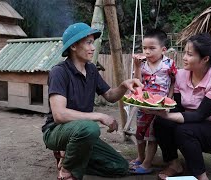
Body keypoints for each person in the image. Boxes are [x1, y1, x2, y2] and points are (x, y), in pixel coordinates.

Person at [41, 22, 143, 180]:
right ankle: (67, 170)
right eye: (88, 42)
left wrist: (123, 86)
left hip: (82, 133)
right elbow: (59, 115)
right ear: (74, 46)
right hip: (56, 131)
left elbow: (109, 95)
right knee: (90, 128)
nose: (93, 48)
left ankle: (69, 157)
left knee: (120, 167)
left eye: (92, 43)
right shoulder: (59, 72)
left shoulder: (91, 70)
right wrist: (100, 116)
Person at [143, 33, 211, 180]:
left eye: (189, 54)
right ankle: (174, 164)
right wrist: (158, 108)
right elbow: (178, 106)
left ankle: (201, 176)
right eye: (185, 52)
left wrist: (165, 114)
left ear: (205, 59)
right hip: (191, 120)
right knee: (161, 123)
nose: (184, 57)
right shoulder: (181, 75)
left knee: (184, 131)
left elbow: (200, 115)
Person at [129, 29, 176, 174]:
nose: (147, 52)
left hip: (159, 106)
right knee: (140, 134)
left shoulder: (169, 64)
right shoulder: (142, 64)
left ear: (163, 50)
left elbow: (174, 82)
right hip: (142, 105)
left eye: (151, 48)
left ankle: (147, 163)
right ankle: (140, 157)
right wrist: (137, 67)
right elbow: (137, 83)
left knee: (152, 136)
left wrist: (169, 98)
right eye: (144, 48)